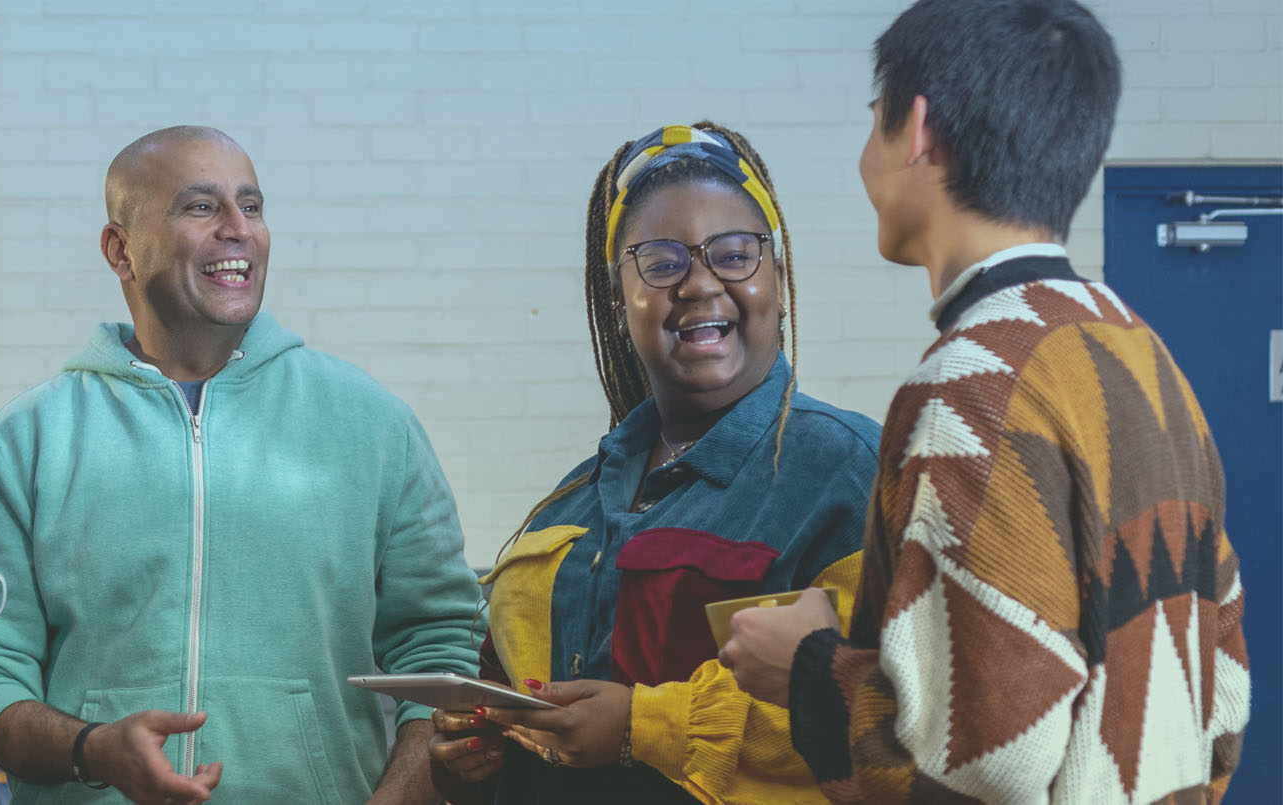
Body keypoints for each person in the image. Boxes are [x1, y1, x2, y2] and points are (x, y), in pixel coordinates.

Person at [719, 1, 1250, 802]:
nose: (866, 158)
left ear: (919, 129)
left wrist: (806, 665)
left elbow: (977, 768)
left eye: (874, 122)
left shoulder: (974, 388)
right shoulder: (1145, 355)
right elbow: (1225, 696)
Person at [0, 125, 483, 804]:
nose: (238, 229)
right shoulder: (27, 440)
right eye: (201, 207)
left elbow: (441, 651)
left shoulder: (373, 423)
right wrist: (91, 748)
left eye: (251, 206)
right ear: (120, 249)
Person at [428, 123, 883, 804]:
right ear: (618, 302)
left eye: (734, 254)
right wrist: (473, 739)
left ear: (779, 283)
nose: (700, 284)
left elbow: (891, 726)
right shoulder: (568, 507)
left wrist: (643, 727)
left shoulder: (850, 475)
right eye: (663, 262)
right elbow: (499, 705)